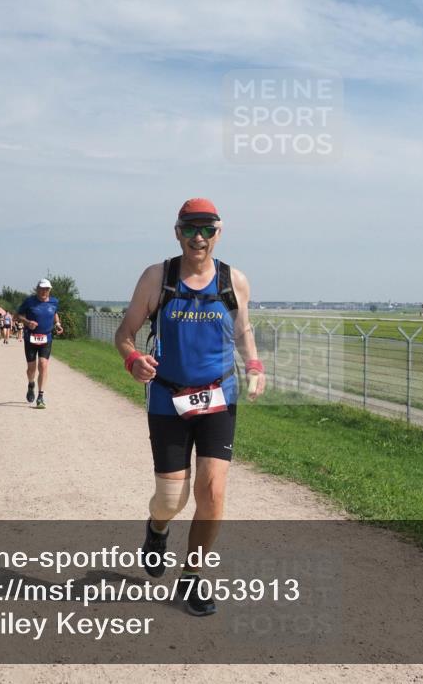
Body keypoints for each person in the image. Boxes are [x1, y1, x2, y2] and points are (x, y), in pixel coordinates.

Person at [115, 198, 265, 616]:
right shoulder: (156, 278)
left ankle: (194, 576)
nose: (198, 238)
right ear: (176, 231)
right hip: (168, 398)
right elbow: (125, 333)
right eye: (189, 229)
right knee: (171, 498)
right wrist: (132, 359)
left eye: (207, 229)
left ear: (219, 233)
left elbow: (243, 329)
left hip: (219, 397)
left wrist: (253, 363)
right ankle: (157, 527)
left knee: (213, 490)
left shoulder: (233, 280)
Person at [15, 280, 63, 408]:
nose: (44, 291)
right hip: (30, 338)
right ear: (37, 289)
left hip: (46, 338)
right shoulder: (29, 301)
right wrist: (27, 322)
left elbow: (55, 313)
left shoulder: (54, 302)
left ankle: (40, 396)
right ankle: (31, 384)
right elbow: (18, 316)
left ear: (50, 290)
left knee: (43, 365)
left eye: (47, 289)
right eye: (42, 289)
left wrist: (57, 324)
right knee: (31, 369)